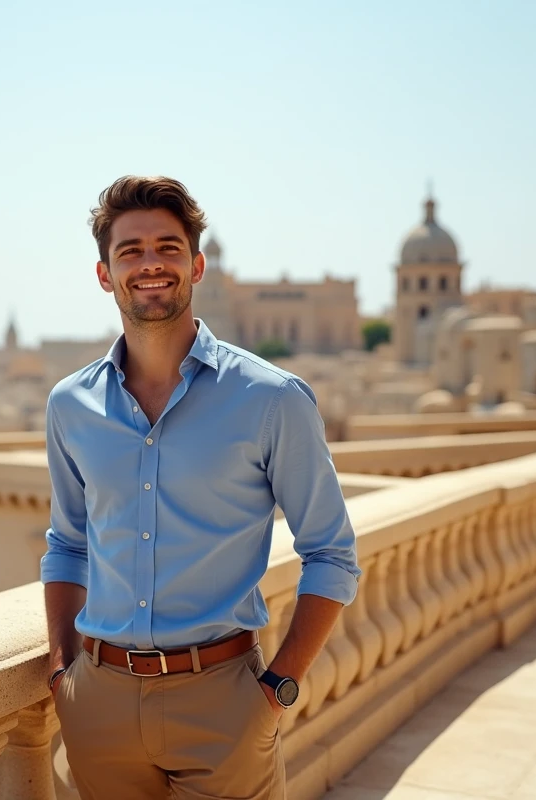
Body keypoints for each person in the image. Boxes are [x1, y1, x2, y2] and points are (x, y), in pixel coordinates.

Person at [41, 175, 360, 800]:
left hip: (224, 704)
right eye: (130, 250)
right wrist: (62, 671)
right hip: (98, 703)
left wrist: (276, 691)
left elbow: (332, 555)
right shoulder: (69, 404)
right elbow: (67, 543)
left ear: (197, 264)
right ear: (105, 274)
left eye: (168, 246)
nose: (150, 263)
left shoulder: (272, 398)